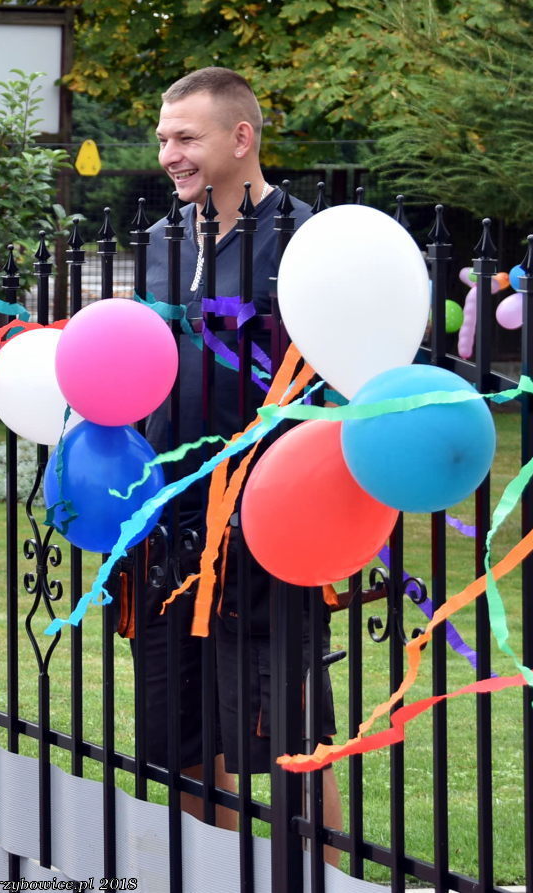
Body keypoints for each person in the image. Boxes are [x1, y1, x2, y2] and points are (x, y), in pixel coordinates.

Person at [124, 67, 343, 839]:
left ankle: (315, 878)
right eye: (164, 139)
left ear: (241, 136)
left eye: (186, 137)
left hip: (268, 522)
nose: (169, 155)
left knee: (290, 742)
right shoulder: (160, 241)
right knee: (180, 742)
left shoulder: (307, 239)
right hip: (168, 525)